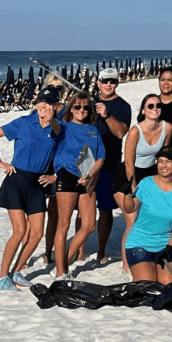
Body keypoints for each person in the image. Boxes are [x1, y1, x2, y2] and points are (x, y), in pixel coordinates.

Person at [0, 87, 62, 290]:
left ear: (56, 107)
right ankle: (2, 277)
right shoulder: (23, 122)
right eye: (40, 102)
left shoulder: (57, 129)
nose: (42, 106)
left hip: (38, 183)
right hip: (16, 180)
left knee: (37, 233)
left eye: (47, 103)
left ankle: (17, 271)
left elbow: (66, 154)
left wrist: (55, 175)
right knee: (19, 231)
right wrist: (0, 162)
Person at [51, 93, 106, 279]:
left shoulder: (93, 130)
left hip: (87, 177)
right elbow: (54, 127)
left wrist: (90, 175)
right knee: (64, 224)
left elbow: (100, 157)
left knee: (89, 225)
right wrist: (50, 116)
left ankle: (63, 261)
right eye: (77, 107)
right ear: (70, 109)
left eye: (85, 108)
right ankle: (60, 272)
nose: (81, 111)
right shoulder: (64, 127)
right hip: (67, 175)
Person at [121, 145, 172, 284]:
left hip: (166, 244)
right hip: (140, 244)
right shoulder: (146, 183)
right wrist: (127, 195)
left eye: (168, 161)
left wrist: (170, 246)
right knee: (149, 287)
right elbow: (130, 208)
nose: (163, 165)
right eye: (161, 161)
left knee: (169, 287)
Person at [119, 94, 172, 267]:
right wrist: (134, 188)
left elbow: (164, 157)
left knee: (149, 217)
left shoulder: (167, 128)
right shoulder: (135, 131)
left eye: (158, 105)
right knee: (132, 219)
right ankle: (127, 265)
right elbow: (129, 162)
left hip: (150, 173)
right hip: (128, 175)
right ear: (143, 110)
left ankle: (149, 254)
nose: (155, 108)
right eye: (150, 106)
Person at [92, 68, 130, 266]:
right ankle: (80, 252)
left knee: (105, 209)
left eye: (112, 81)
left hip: (110, 163)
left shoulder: (123, 106)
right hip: (86, 163)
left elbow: (121, 133)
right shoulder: (87, 102)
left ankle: (101, 250)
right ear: (98, 83)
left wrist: (106, 115)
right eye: (105, 81)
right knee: (84, 210)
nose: (108, 85)